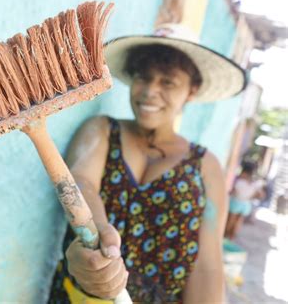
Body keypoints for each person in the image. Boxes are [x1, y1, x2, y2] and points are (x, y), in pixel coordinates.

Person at [47, 24, 246, 303]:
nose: (150, 91)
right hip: (81, 295)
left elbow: (208, 265)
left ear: (191, 91)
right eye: (143, 77)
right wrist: (100, 232)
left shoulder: (205, 165)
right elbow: (82, 182)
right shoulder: (102, 130)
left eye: (168, 82)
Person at [225, 162, 266, 240]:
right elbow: (260, 195)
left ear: (244, 171)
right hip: (246, 204)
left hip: (236, 202)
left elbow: (233, 192)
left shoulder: (240, 181)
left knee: (231, 220)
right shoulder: (255, 183)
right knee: (238, 221)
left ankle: (227, 235)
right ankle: (232, 237)